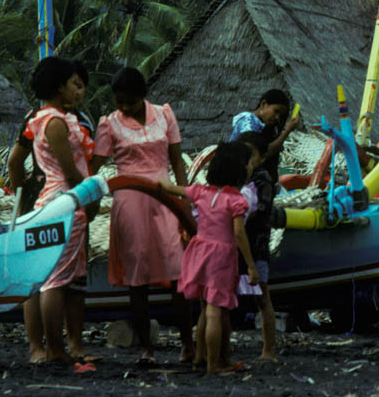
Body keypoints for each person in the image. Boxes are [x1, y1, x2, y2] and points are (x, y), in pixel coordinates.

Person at [90, 67, 192, 365]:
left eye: (130, 102)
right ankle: (146, 349)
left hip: (165, 195)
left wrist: (184, 199)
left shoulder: (165, 114)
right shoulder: (109, 124)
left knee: (178, 271)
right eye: (119, 102)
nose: (124, 108)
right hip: (129, 201)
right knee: (137, 276)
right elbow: (94, 167)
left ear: (142, 96)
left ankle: (188, 344)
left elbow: (177, 161)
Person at [5, 56, 94, 364]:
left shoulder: (45, 118)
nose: (79, 91)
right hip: (63, 200)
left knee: (53, 277)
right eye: (74, 84)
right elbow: (70, 173)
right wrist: (90, 194)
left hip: (54, 200)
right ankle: (55, 348)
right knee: (55, 280)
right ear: (60, 86)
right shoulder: (55, 123)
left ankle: (52, 347)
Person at [166, 142, 257, 375]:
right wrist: (251, 265)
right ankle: (214, 364)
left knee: (206, 308)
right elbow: (238, 233)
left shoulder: (200, 192)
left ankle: (200, 357)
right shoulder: (237, 200)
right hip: (221, 257)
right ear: (237, 171)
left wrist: (153, 183)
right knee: (216, 311)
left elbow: (171, 188)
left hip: (199, 253)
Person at [235, 131, 281, 361]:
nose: (245, 160)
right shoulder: (237, 177)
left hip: (256, 244)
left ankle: (269, 350)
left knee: (262, 297)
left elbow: (258, 211)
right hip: (236, 244)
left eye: (249, 155)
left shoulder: (263, 180)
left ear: (262, 158)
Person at [230, 89, 301, 178]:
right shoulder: (248, 121)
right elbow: (262, 153)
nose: (277, 117)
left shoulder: (265, 127)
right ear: (263, 104)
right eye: (276, 111)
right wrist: (287, 131)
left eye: (280, 116)